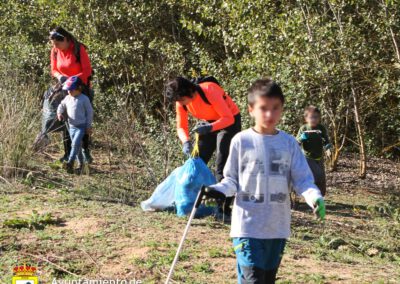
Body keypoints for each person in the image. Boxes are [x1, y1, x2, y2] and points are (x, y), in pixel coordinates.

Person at [202, 78, 325, 283]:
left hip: (277, 228)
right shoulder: (241, 141)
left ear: (282, 109)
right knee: (254, 280)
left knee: (266, 279)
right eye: (263, 108)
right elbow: (231, 180)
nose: (269, 114)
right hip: (247, 228)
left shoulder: (289, 143)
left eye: (275, 108)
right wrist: (217, 190)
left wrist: (314, 196)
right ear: (251, 109)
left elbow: (303, 179)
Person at [165, 76, 241, 220]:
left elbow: (228, 117)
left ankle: (223, 209)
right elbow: (181, 126)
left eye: (181, 100)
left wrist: (210, 128)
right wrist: (186, 141)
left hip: (229, 123)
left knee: (222, 165)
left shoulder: (209, 90)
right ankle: (188, 202)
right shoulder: (181, 101)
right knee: (197, 162)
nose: (179, 103)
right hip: (208, 124)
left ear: (190, 92)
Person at [49, 26, 94, 163]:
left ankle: (85, 151)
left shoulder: (78, 49)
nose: (56, 47)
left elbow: (87, 71)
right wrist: (60, 77)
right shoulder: (55, 51)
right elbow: (53, 69)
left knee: (82, 120)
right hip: (65, 89)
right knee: (66, 120)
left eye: (58, 43)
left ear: (66, 40)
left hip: (81, 89)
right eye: (54, 44)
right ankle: (68, 153)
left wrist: (72, 80)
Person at [57, 76, 93, 173]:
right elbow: (61, 105)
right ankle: (81, 165)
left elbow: (90, 113)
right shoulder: (67, 98)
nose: (69, 92)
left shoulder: (84, 99)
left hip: (81, 127)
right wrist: (59, 113)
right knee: (76, 146)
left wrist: (88, 126)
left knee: (74, 144)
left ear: (79, 88)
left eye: (71, 89)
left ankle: (70, 162)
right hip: (71, 126)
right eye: (68, 89)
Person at [296, 106, 332, 196]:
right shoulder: (303, 128)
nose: (314, 119)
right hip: (307, 157)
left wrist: (328, 148)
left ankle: (321, 196)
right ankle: (313, 196)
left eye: (316, 117)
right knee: (315, 176)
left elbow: (326, 140)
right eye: (311, 117)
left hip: (319, 156)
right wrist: (301, 138)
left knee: (322, 177)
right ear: (306, 118)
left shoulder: (321, 128)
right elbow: (296, 143)